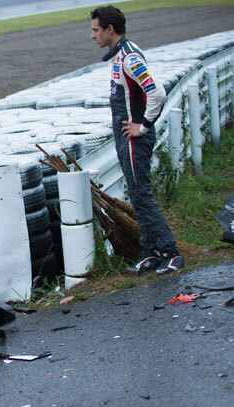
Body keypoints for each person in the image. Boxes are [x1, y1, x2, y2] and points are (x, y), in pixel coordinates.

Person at [90, 6, 183, 276]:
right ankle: (150, 253)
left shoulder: (130, 58)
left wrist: (143, 126)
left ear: (110, 29)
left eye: (95, 29)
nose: (92, 35)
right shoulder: (119, 55)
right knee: (137, 195)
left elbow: (157, 93)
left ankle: (171, 253)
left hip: (134, 137)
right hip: (125, 136)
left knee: (142, 195)